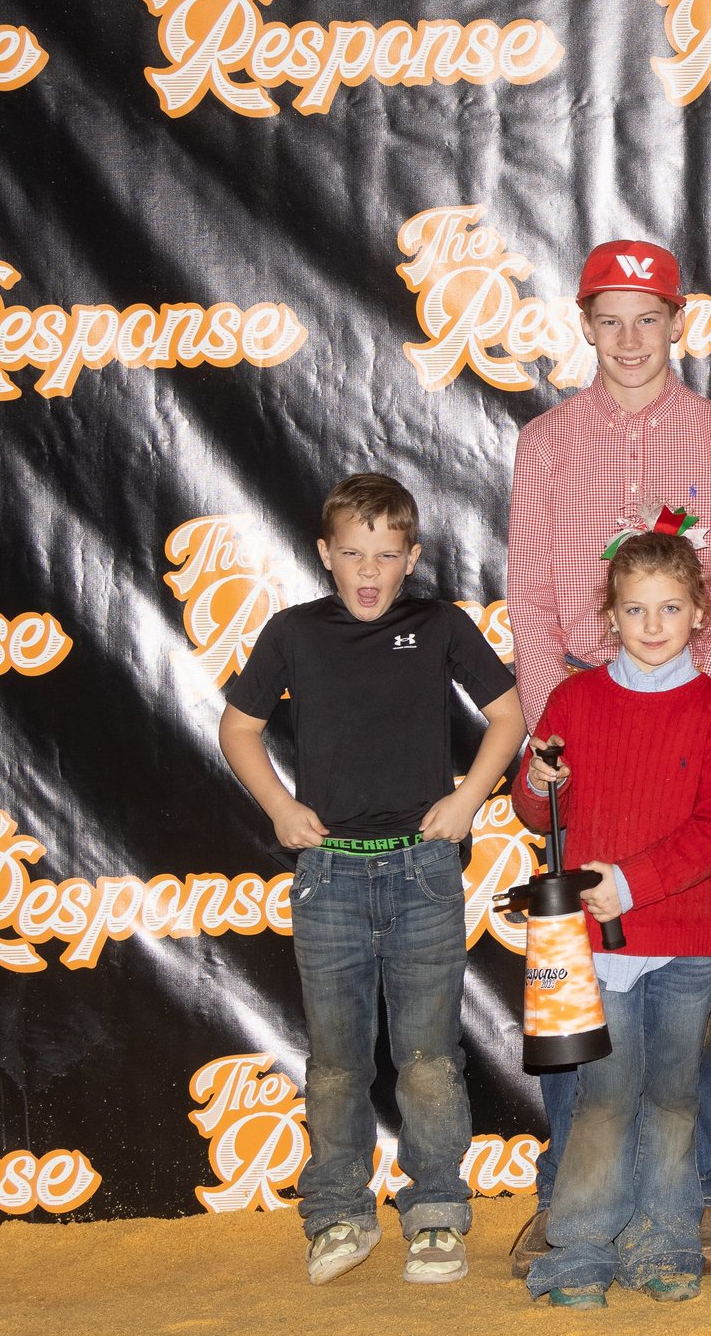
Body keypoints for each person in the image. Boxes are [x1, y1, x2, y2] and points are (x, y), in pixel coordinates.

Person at [505, 239, 711, 1279]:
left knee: (681, 995)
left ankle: (683, 1207)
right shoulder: (547, 442)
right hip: (586, 713)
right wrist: (548, 737)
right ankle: (576, 1201)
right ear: (582, 325)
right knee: (582, 992)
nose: (627, 339)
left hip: (690, 726)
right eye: (606, 318)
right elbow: (528, 594)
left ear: (677, 323)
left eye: (646, 318)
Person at [216, 473, 525, 1285]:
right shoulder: (293, 632)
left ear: (412, 558)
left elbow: (510, 714)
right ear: (324, 554)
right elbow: (239, 727)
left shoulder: (440, 626)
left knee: (428, 1059)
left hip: (424, 872)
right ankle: (337, 1214)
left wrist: (470, 794)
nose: (368, 570)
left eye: (386, 555)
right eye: (352, 553)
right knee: (337, 1061)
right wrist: (280, 807)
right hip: (329, 879)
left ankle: (435, 1213)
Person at [512, 532, 711, 1307]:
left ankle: (666, 1236)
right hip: (598, 943)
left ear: (698, 613)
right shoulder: (573, 702)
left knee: (676, 1097)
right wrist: (538, 779)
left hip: (684, 940)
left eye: (671, 608)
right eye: (636, 609)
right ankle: (580, 1245)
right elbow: (535, 808)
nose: (654, 625)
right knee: (605, 1096)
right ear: (609, 616)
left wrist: (632, 882)